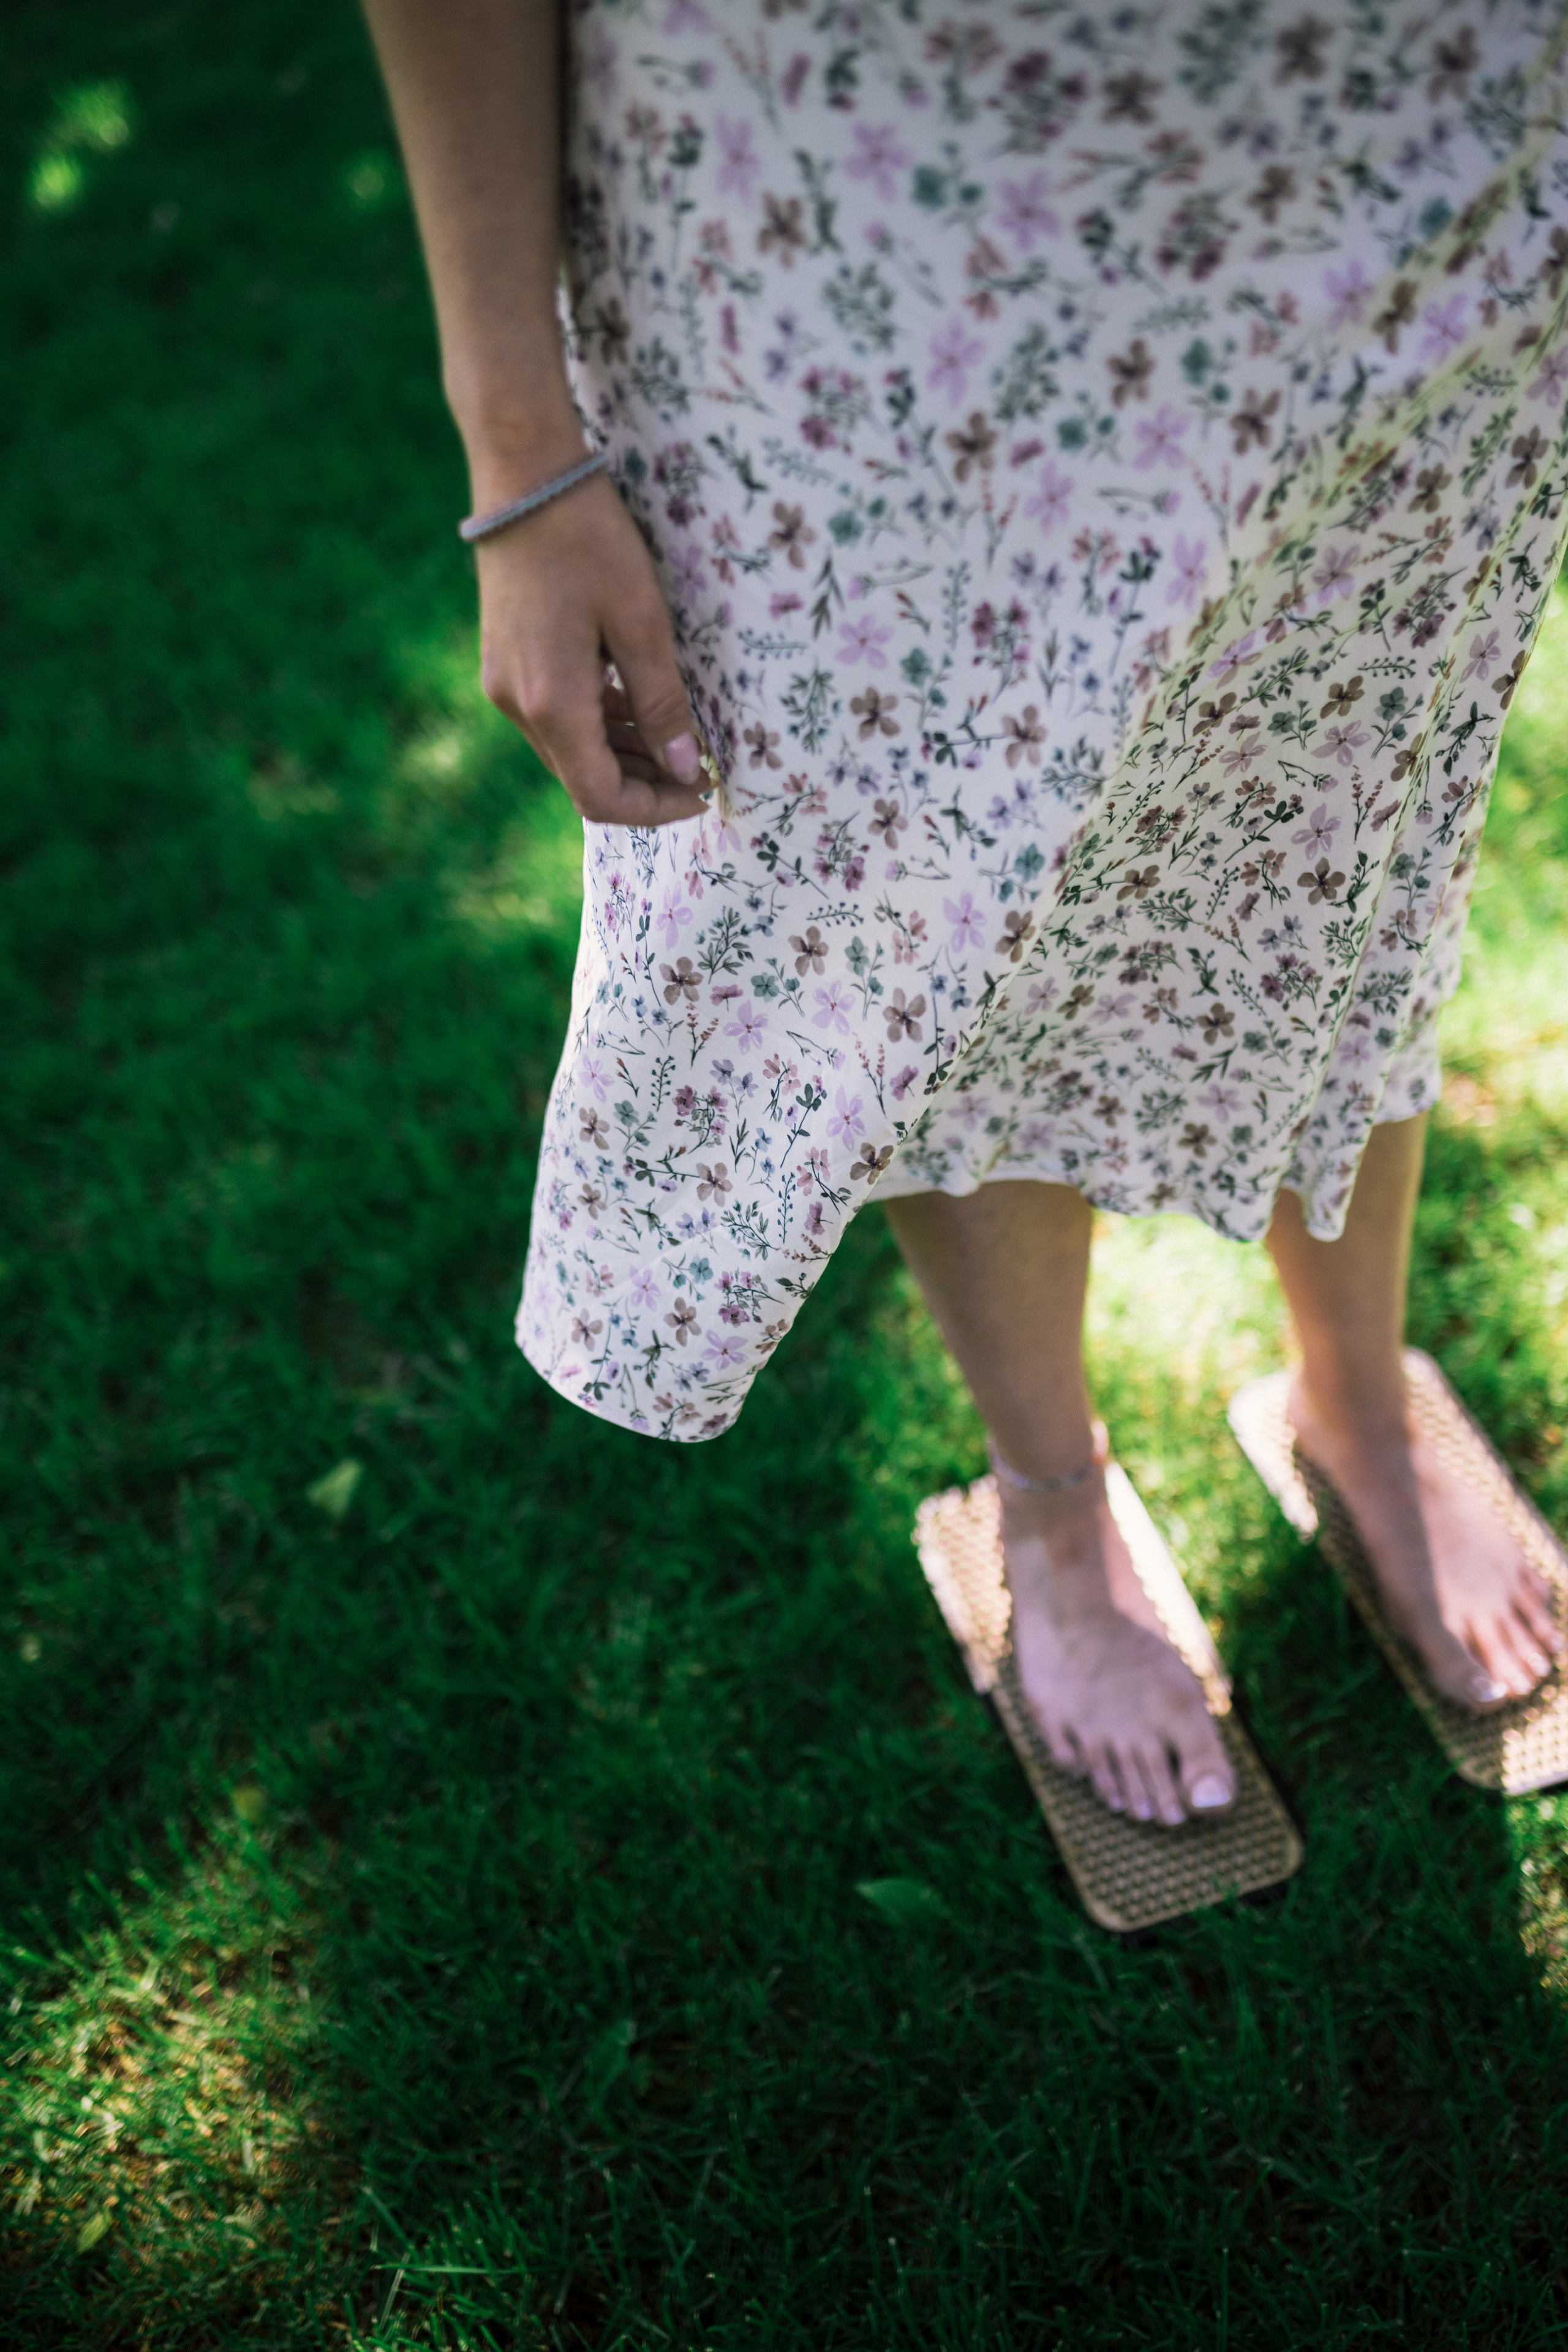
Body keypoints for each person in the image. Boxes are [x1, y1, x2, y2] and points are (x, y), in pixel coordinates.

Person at [364, 0, 1568, 1832]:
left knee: (1351, 819)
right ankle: (1056, 1511)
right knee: (942, 915)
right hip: (873, 250)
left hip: (1408, 181)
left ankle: (1361, 1401)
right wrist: (517, 449)